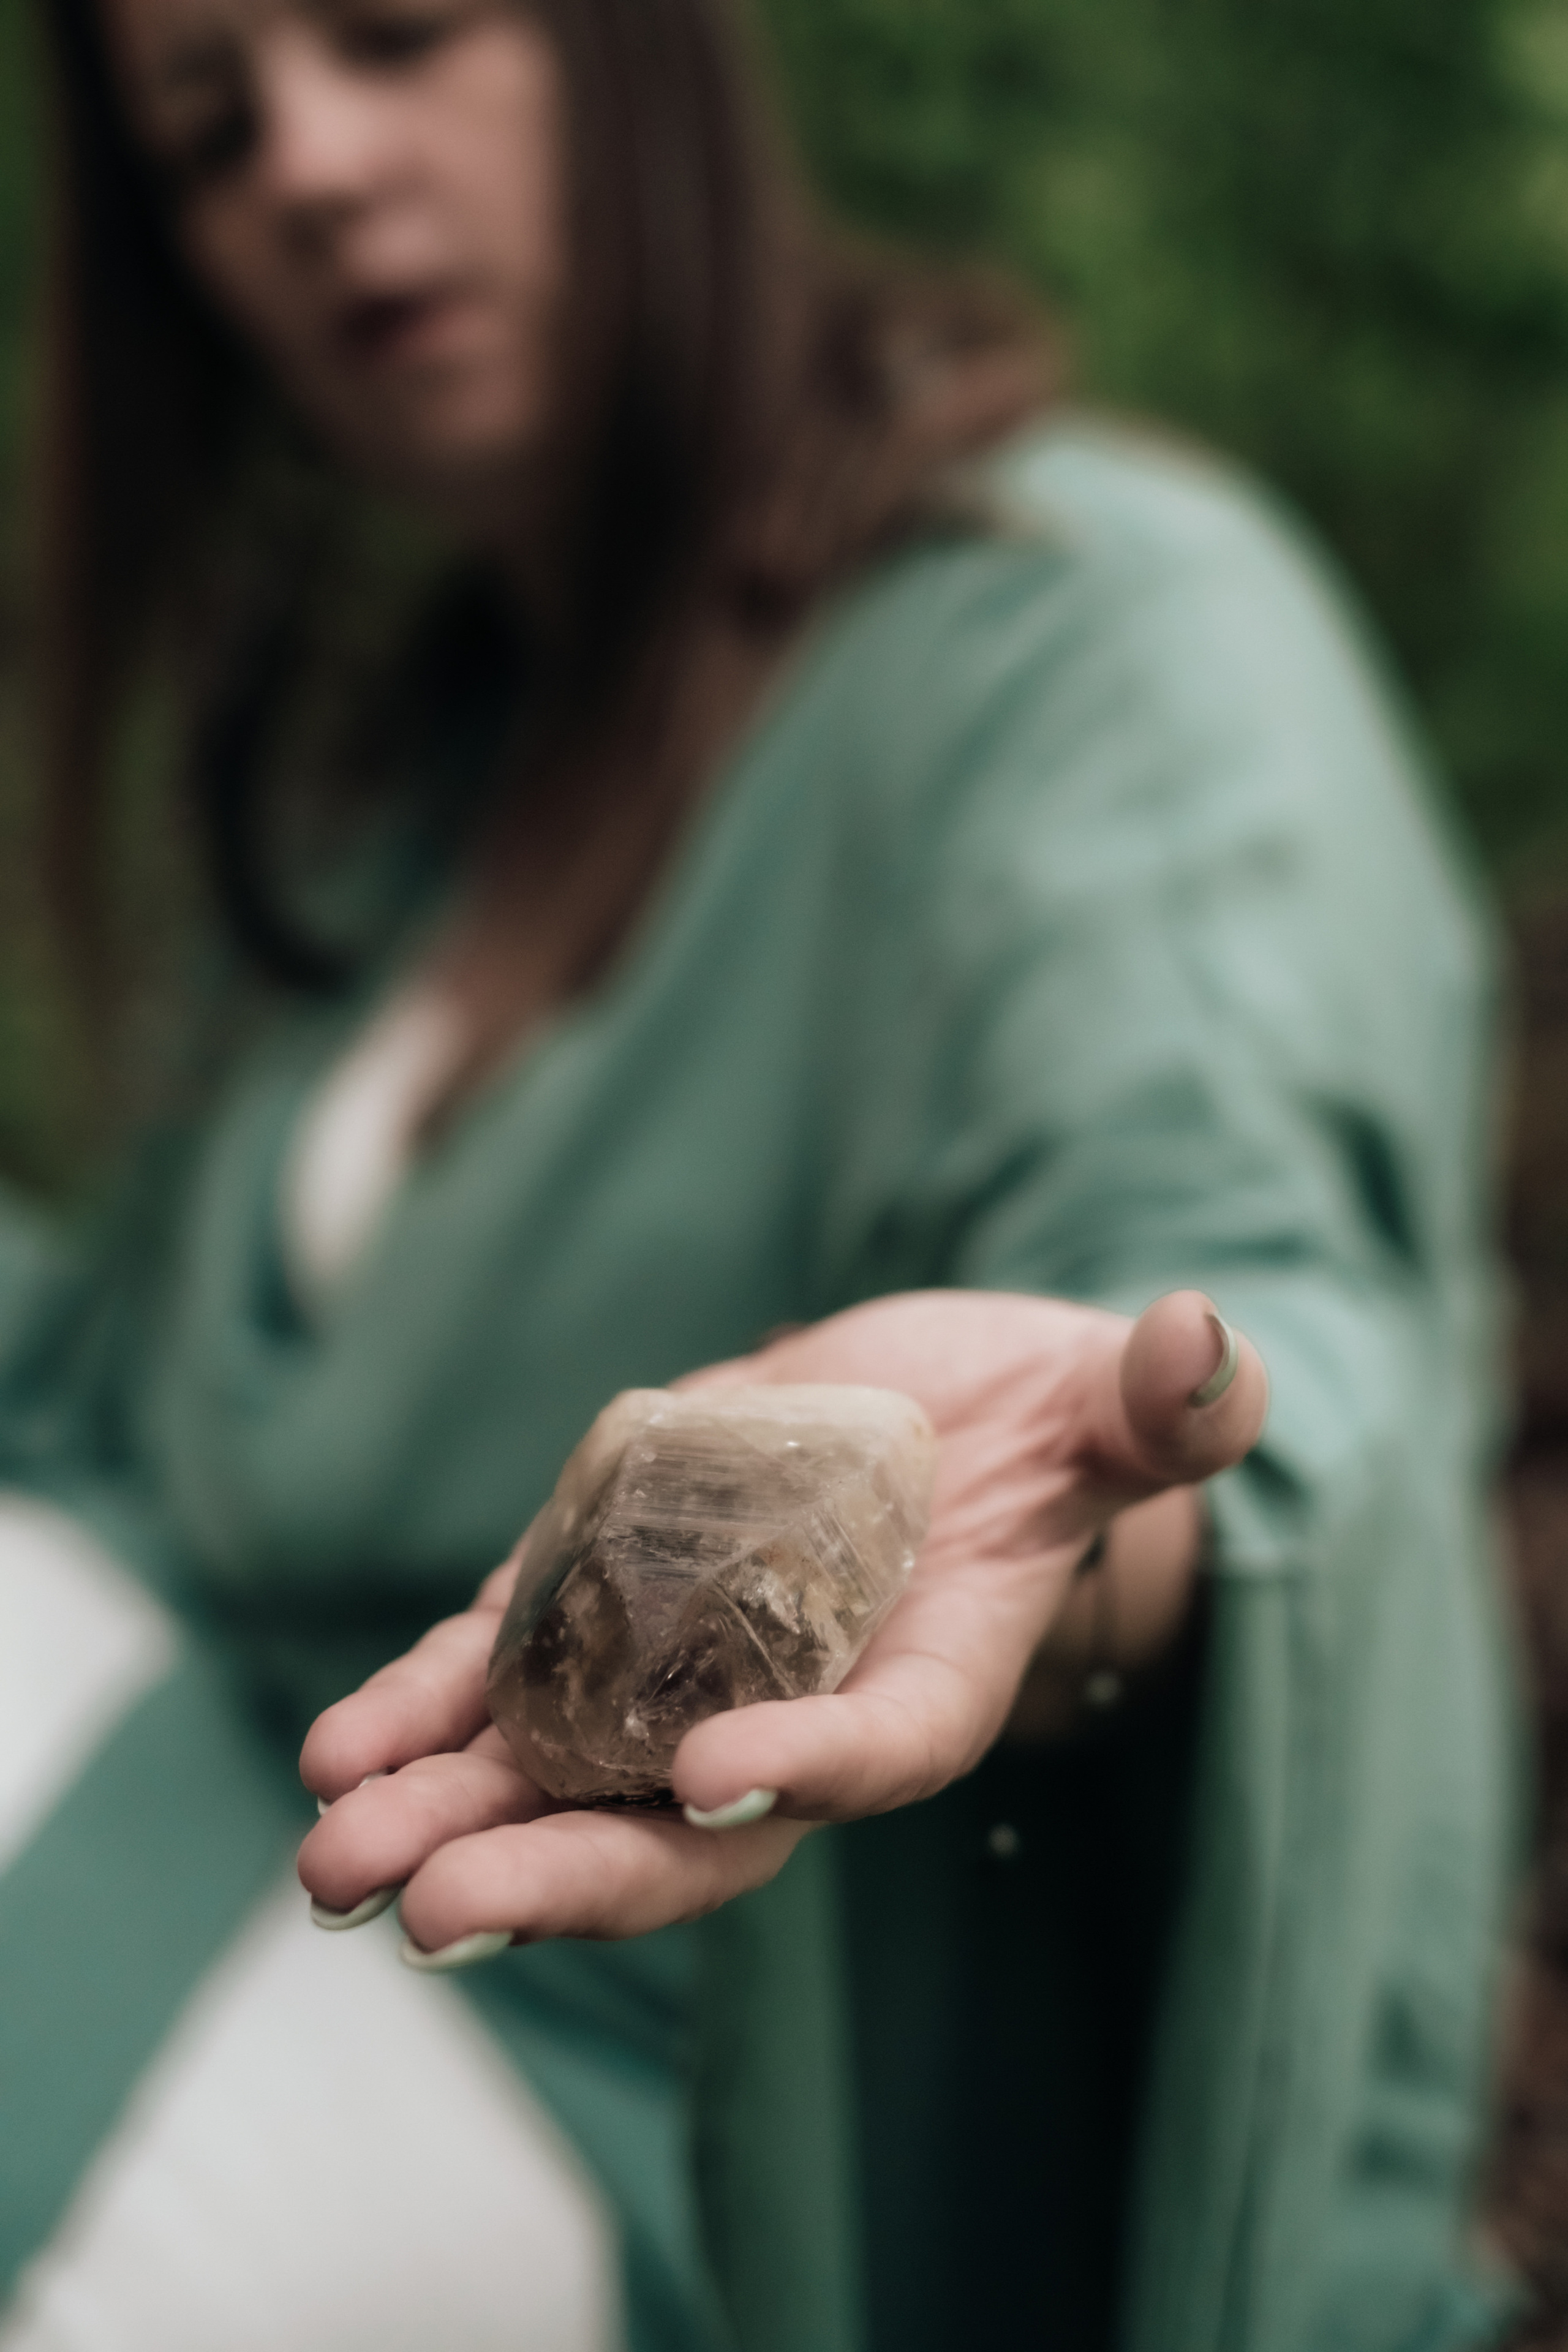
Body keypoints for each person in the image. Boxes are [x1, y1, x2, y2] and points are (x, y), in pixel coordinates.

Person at [0, 0, 1517, 2345]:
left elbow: (1266, 1291)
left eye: (394, 31)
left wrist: (1078, 1475)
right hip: (194, 1827)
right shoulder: (399, 766)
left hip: (632, 2099)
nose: (305, 162)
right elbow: (108, 1370)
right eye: (206, 129)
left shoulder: (1099, 633)